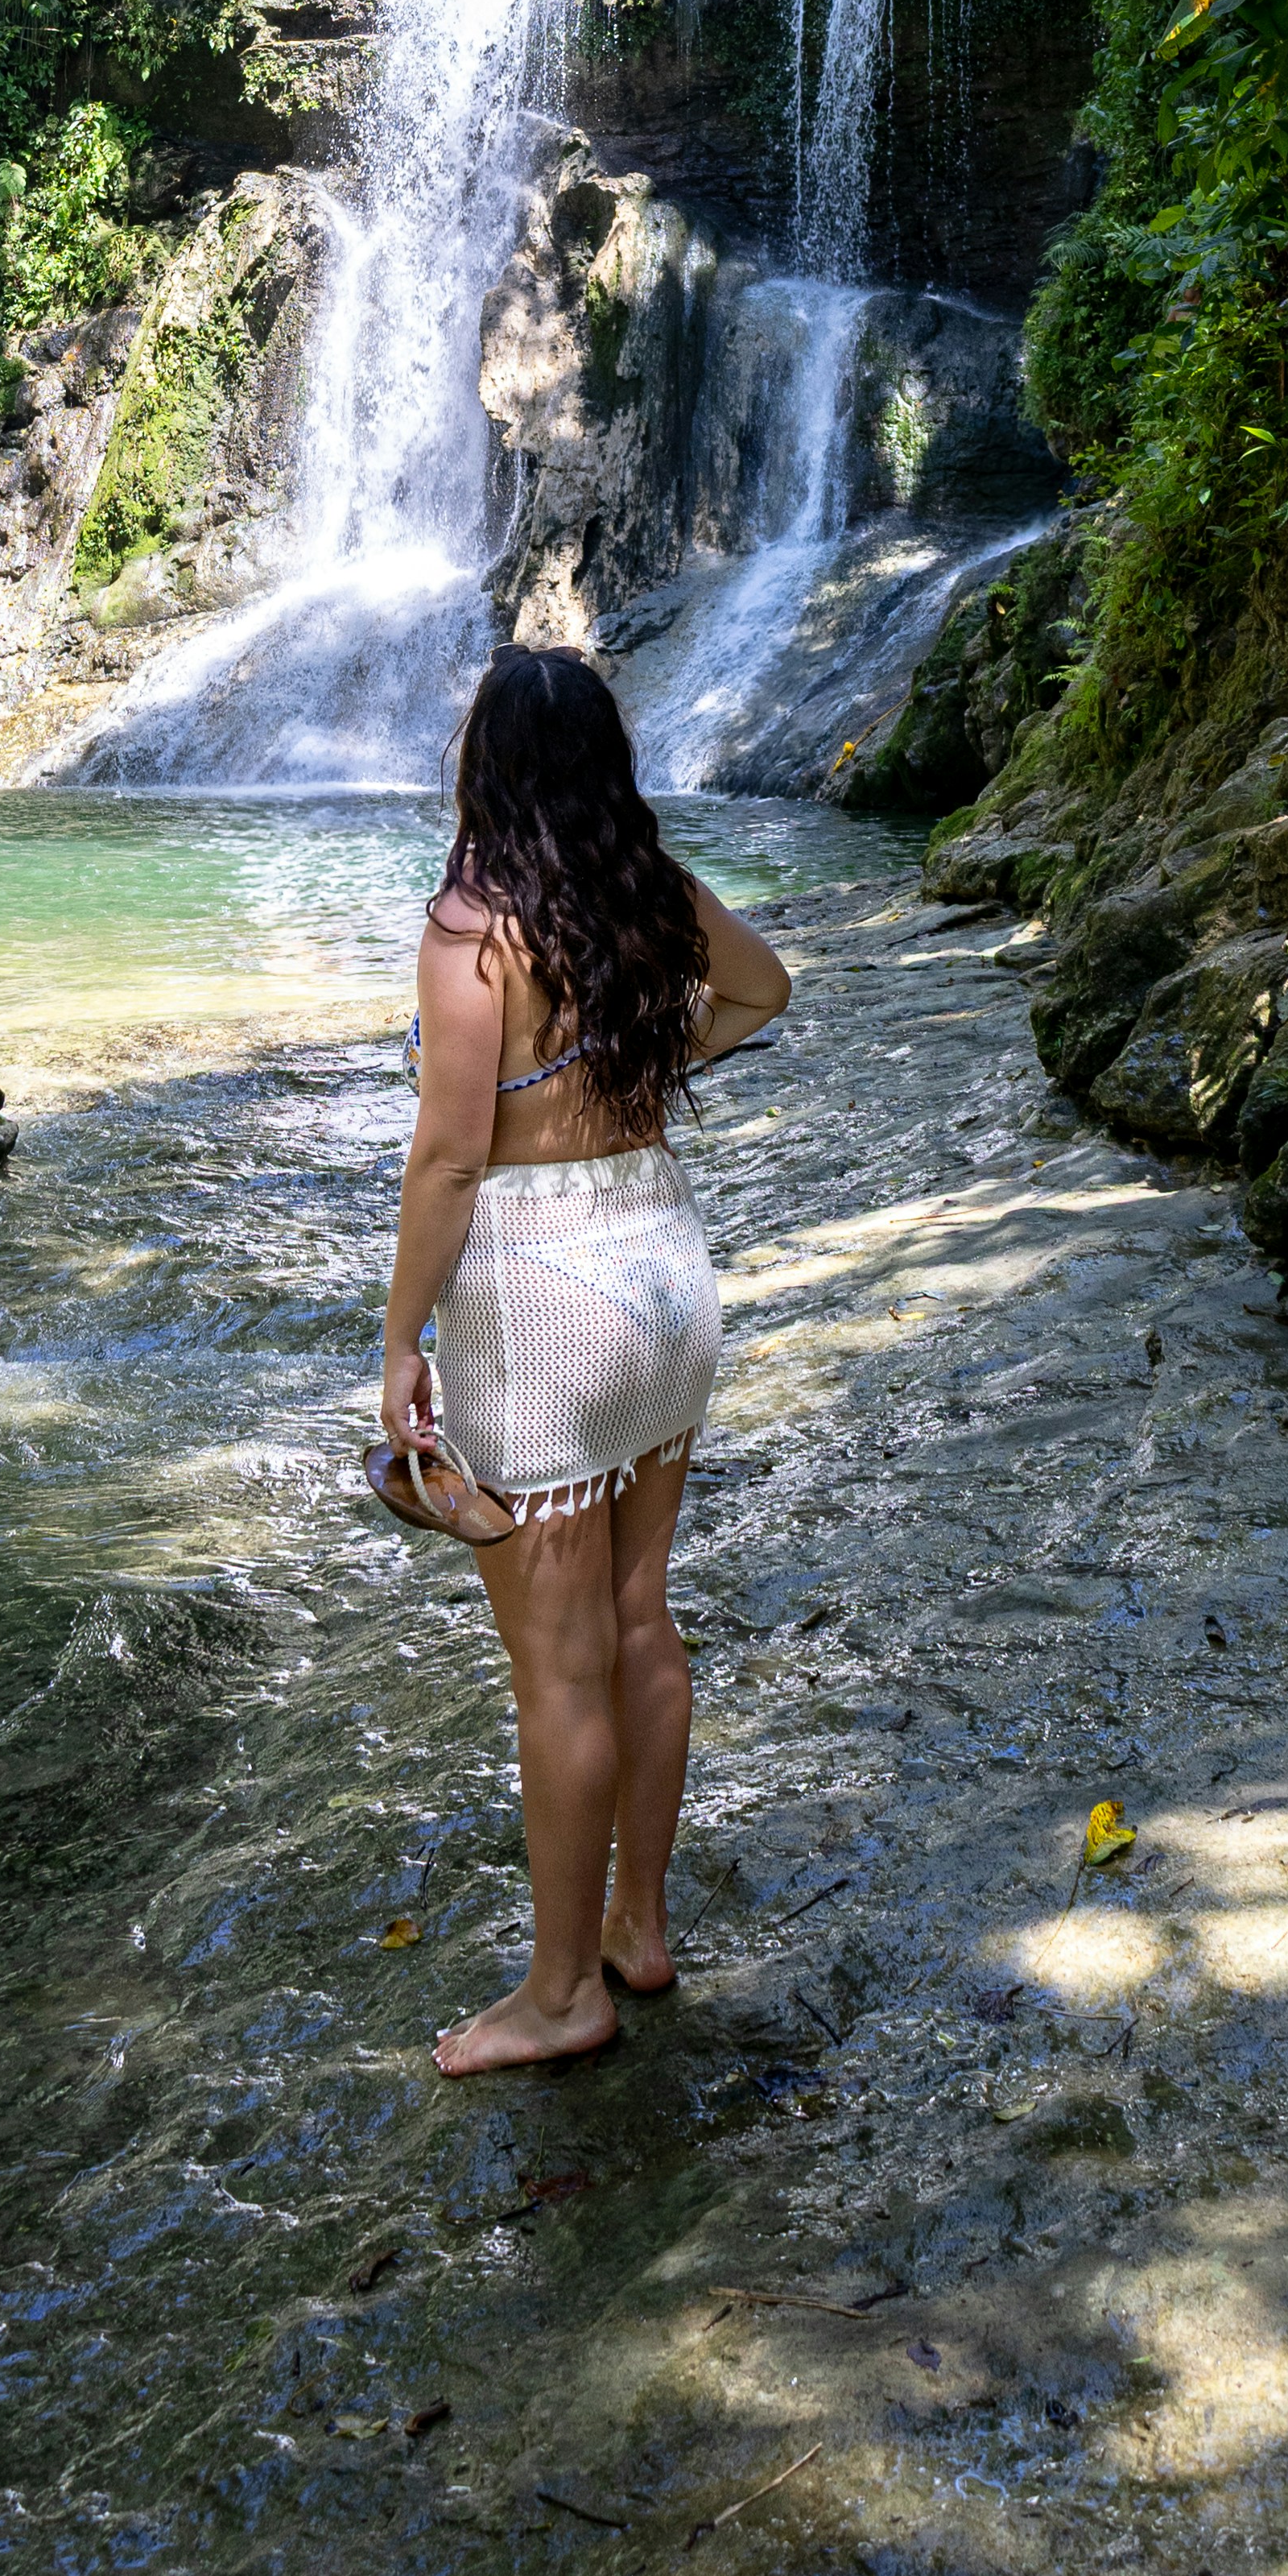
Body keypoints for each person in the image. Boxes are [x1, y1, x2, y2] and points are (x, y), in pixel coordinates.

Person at [376, 645, 791, 2075]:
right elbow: (763, 990)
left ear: (484, 764)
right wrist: (657, 1060)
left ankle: (561, 1996)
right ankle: (638, 1925)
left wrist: (397, 1342)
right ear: (603, 764)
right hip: (663, 1272)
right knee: (636, 1617)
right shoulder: (646, 894)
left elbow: (446, 1159)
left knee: (554, 1669)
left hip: (541, 1297)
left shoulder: (472, 927)